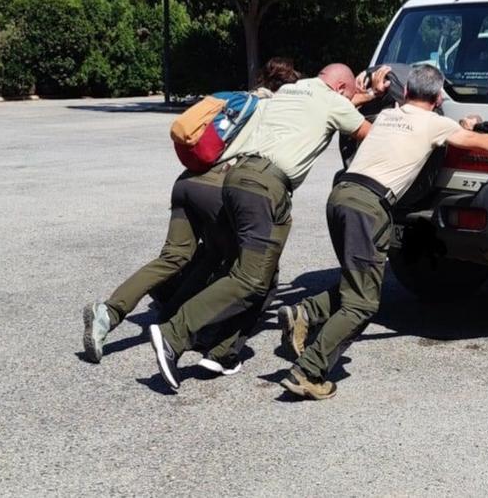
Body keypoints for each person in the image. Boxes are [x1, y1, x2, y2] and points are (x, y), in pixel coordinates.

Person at [276, 64, 488, 400]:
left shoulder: (388, 115)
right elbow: (487, 145)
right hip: (368, 207)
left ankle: (305, 313)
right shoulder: (435, 123)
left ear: (407, 91)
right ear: (440, 95)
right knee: (363, 303)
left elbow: (412, 129)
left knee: (360, 280)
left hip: (340, 197)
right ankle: (308, 371)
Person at [146, 63, 390, 392]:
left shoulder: (291, 91)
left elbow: (337, 106)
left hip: (237, 179)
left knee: (265, 275)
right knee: (249, 277)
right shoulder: (333, 102)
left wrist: (366, 94)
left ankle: (224, 351)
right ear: (342, 89)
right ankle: (174, 332)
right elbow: (370, 137)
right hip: (265, 188)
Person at [81, 57, 302, 366]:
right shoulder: (273, 112)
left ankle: (108, 312)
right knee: (244, 266)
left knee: (175, 256)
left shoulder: (238, 101)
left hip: (187, 184)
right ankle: (192, 330)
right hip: (219, 190)